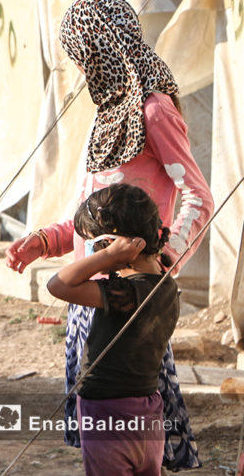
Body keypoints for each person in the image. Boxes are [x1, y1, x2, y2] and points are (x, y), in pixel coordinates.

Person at [6, 0, 213, 469]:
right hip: (91, 298)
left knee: (136, 430)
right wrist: (45, 241)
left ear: (104, 50)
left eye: (83, 57)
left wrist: (162, 260)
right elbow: (91, 218)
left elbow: (198, 196)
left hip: (132, 302)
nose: (81, 70)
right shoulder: (108, 120)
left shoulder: (153, 111)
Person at [46, 184, 178, 476]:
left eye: (95, 243)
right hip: (148, 406)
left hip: (106, 410)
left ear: (117, 244)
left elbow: (58, 285)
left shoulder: (126, 293)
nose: (93, 252)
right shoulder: (167, 283)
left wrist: (104, 259)